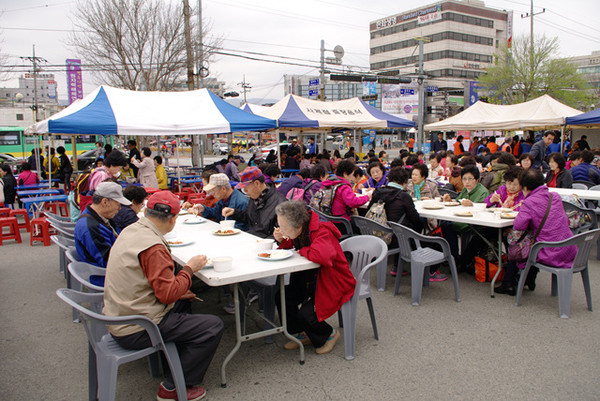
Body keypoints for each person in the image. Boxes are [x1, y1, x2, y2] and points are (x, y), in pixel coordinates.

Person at [102, 191, 224, 401]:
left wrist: (178, 287)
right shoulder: (154, 247)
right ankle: (174, 386)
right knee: (213, 325)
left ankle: (174, 363)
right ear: (174, 218)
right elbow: (167, 295)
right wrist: (189, 269)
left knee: (184, 302)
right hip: (137, 326)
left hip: (119, 313)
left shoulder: (132, 229)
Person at [272, 201, 355, 354]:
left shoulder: (321, 230)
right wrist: (283, 239)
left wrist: (302, 250)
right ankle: (301, 333)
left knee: (306, 314)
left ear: (297, 226)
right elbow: (294, 242)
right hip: (311, 278)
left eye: (283, 227)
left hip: (333, 280)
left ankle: (329, 334)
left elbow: (322, 256)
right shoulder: (302, 227)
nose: (280, 229)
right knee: (283, 297)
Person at [495, 169, 576, 295]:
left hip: (551, 252)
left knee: (515, 242)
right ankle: (528, 279)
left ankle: (508, 282)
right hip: (570, 247)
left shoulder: (530, 202)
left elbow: (518, 225)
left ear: (525, 187)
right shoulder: (554, 196)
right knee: (531, 241)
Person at [74, 182, 131, 283]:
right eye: (117, 203)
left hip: (113, 268)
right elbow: (108, 261)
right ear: (105, 202)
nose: (119, 208)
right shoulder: (91, 227)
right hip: (105, 278)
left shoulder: (101, 217)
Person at [441, 165, 489, 261]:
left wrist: (472, 205)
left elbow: (483, 209)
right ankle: (452, 256)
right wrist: (450, 200)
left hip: (474, 221)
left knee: (448, 226)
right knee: (444, 225)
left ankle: (455, 258)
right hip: (462, 218)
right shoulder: (465, 189)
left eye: (470, 179)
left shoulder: (482, 192)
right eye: (464, 179)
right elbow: (458, 202)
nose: (467, 182)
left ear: (476, 179)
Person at [222, 166, 286, 238]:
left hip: (267, 243)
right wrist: (234, 212)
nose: (244, 190)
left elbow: (282, 233)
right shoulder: (255, 197)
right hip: (252, 237)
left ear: (257, 184)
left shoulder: (280, 203)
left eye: (246, 187)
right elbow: (251, 217)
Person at [368, 167, 421, 231]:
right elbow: (415, 219)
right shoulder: (403, 196)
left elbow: (369, 209)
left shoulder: (378, 192)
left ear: (389, 179)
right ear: (404, 182)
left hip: (376, 233)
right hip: (398, 235)